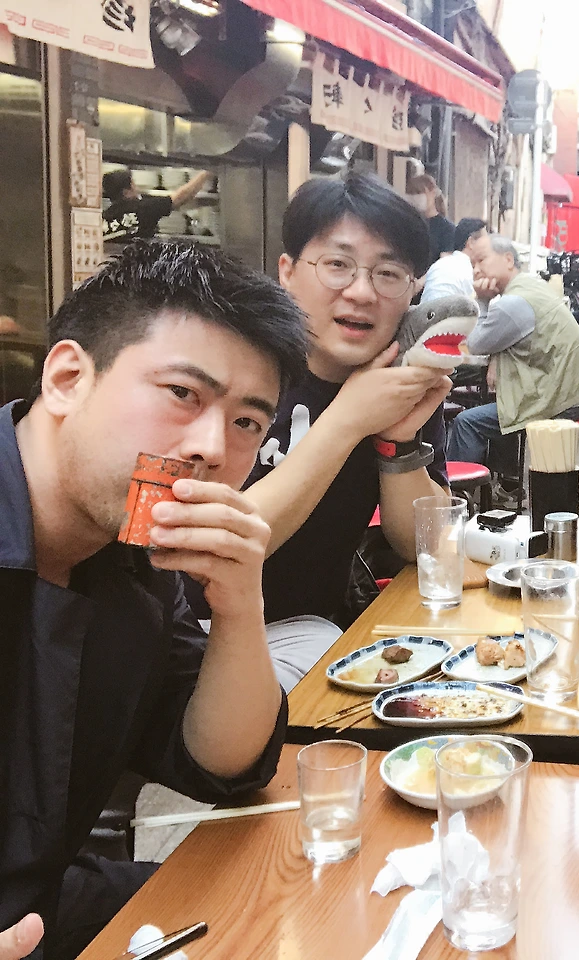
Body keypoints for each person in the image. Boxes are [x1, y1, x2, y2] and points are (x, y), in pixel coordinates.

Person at [0, 240, 310, 959]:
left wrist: (239, 608)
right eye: (182, 394)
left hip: (50, 902)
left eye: (246, 422)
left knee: (297, 897)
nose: (211, 448)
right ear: (68, 378)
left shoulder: (133, 566)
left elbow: (222, 764)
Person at [184, 173, 452, 691]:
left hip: (309, 633)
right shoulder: (236, 366)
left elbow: (425, 549)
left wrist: (397, 443)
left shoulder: (398, 381)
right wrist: (349, 419)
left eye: (389, 273)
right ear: (287, 271)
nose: (361, 292)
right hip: (189, 627)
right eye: (337, 265)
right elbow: (217, 547)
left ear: (412, 291)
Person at [447, 234, 579, 465]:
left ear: (508, 259)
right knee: (502, 400)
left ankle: (459, 486)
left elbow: (475, 344)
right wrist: (497, 355)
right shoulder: (532, 284)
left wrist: (482, 301)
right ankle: (507, 480)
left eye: (481, 260)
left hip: (557, 400)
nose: (476, 270)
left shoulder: (512, 303)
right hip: (572, 390)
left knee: (467, 422)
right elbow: (510, 336)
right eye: (473, 264)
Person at [101, 168, 211, 242]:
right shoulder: (144, 208)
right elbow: (182, 196)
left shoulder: (105, 217)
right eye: (133, 184)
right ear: (126, 192)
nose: (136, 188)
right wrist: (206, 172)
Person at [419, 217, 487, 303]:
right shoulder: (468, 272)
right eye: (485, 242)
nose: (488, 247)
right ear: (471, 243)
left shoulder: (437, 265)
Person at [405, 163, 455, 266]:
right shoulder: (406, 224)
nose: (416, 197)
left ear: (433, 193)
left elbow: (445, 264)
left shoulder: (446, 229)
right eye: (411, 194)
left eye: (419, 193)